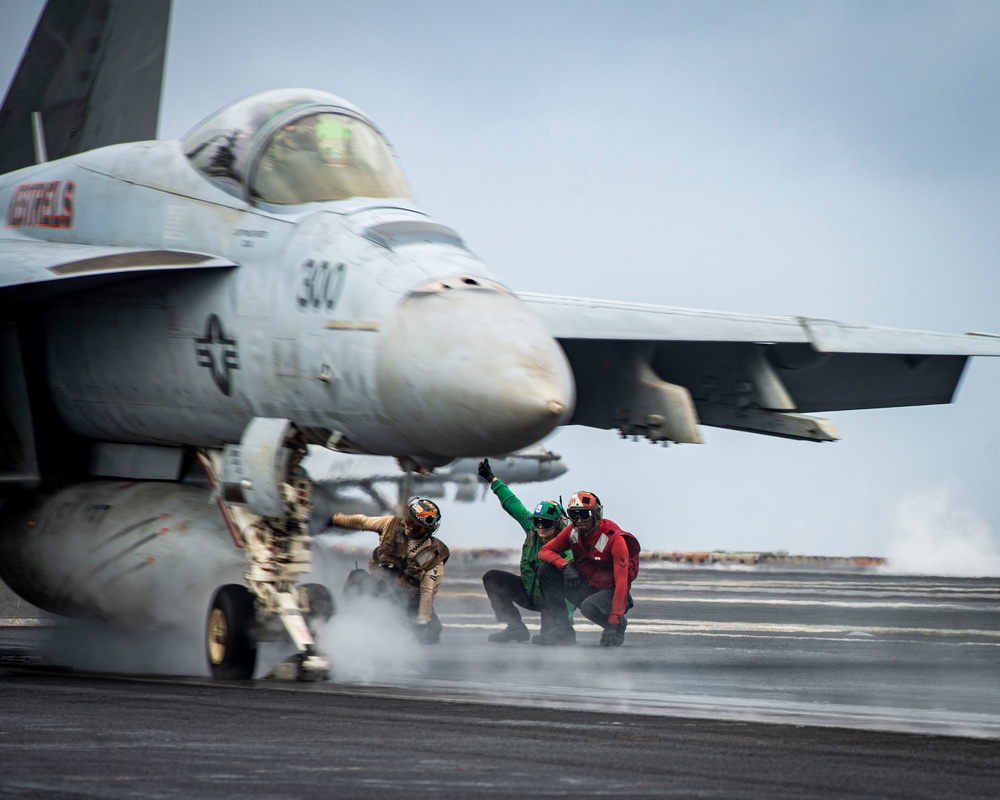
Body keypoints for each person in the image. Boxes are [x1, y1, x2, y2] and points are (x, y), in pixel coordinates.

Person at [477, 458, 573, 643]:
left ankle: (562, 626)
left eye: (545, 523)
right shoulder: (531, 527)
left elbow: (571, 586)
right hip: (530, 594)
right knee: (492, 578)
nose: (540, 527)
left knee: (552, 642)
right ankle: (515, 627)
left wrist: (565, 621)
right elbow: (512, 503)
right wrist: (491, 479)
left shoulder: (568, 545)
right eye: (537, 522)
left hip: (555, 603)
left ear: (558, 524)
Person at [331, 497, 449, 644]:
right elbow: (362, 522)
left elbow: (428, 590)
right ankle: (346, 617)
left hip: (407, 598)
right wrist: (335, 519)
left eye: (417, 527)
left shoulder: (436, 552)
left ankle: (402, 633)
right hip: (379, 586)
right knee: (357, 576)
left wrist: (422, 620)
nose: (410, 527)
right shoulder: (390, 525)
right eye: (409, 520)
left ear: (427, 531)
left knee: (432, 633)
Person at [535, 491, 640, 647]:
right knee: (546, 570)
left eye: (584, 515)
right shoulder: (572, 531)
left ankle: (618, 626)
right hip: (588, 585)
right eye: (573, 515)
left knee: (589, 607)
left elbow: (622, 583)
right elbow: (543, 552)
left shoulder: (615, 540)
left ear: (596, 514)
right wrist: (565, 566)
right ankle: (562, 630)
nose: (578, 520)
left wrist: (612, 622)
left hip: (611, 592)